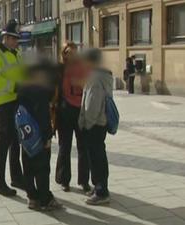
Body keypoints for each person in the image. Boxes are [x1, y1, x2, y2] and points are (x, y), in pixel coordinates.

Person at [18, 59, 62, 211]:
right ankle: (45, 199)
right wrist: (47, 136)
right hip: (39, 134)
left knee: (28, 166)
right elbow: (43, 116)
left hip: (25, 133)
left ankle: (32, 198)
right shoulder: (41, 90)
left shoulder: (22, 88)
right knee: (42, 167)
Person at [0, 19, 25, 197]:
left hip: (16, 100)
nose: (17, 42)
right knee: (3, 141)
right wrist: (15, 87)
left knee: (16, 140)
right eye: (15, 39)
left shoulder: (16, 53)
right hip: (3, 103)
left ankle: (16, 177)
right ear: (7, 38)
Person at [55, 42, 91, 193]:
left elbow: (88, 86)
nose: (72, 55)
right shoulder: (59, 69)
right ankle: (64, 179)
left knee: (83, 146)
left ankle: (84, 181)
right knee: (65, 146)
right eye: (68, 52)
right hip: (64, 110)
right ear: (63, 53)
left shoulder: (82, 67)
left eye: (74, 52)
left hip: (80, 109)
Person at [79, 48, 113, 205]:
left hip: (94, 124)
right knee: (98, 155)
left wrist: (87, 123)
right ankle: (99, 186)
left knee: (97, 157)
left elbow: (92, 104)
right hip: (101, 122)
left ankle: (101, 191)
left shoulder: (94, 78)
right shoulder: (104, 75)